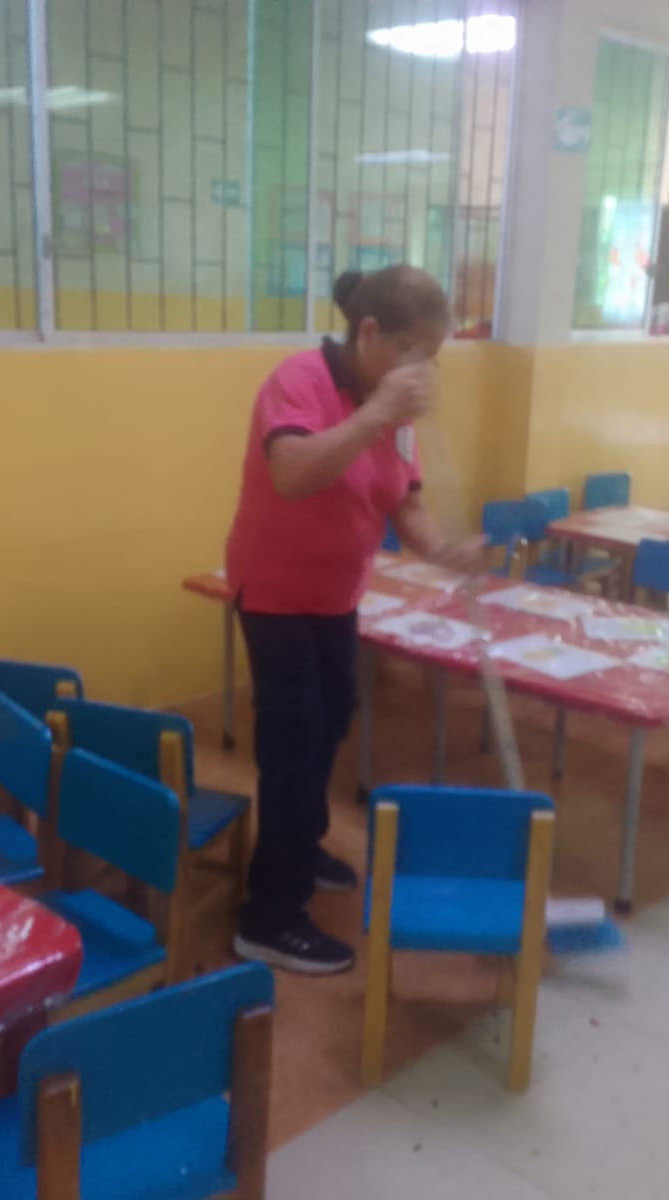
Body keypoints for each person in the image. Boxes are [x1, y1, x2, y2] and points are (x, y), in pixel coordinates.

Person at [224, 265, 481, 974]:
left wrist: (444, 552)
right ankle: (268, 917)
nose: (425, 372)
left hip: (336, 595)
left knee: (333, 720)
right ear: (370, 334)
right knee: (293, 745)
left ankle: (300, 846)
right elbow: (292, 475)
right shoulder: (299, 381)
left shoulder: (392, 409)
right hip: (274, 591)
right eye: (418, 353)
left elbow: (406, 502)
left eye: (434, 358)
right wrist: (373, 416)